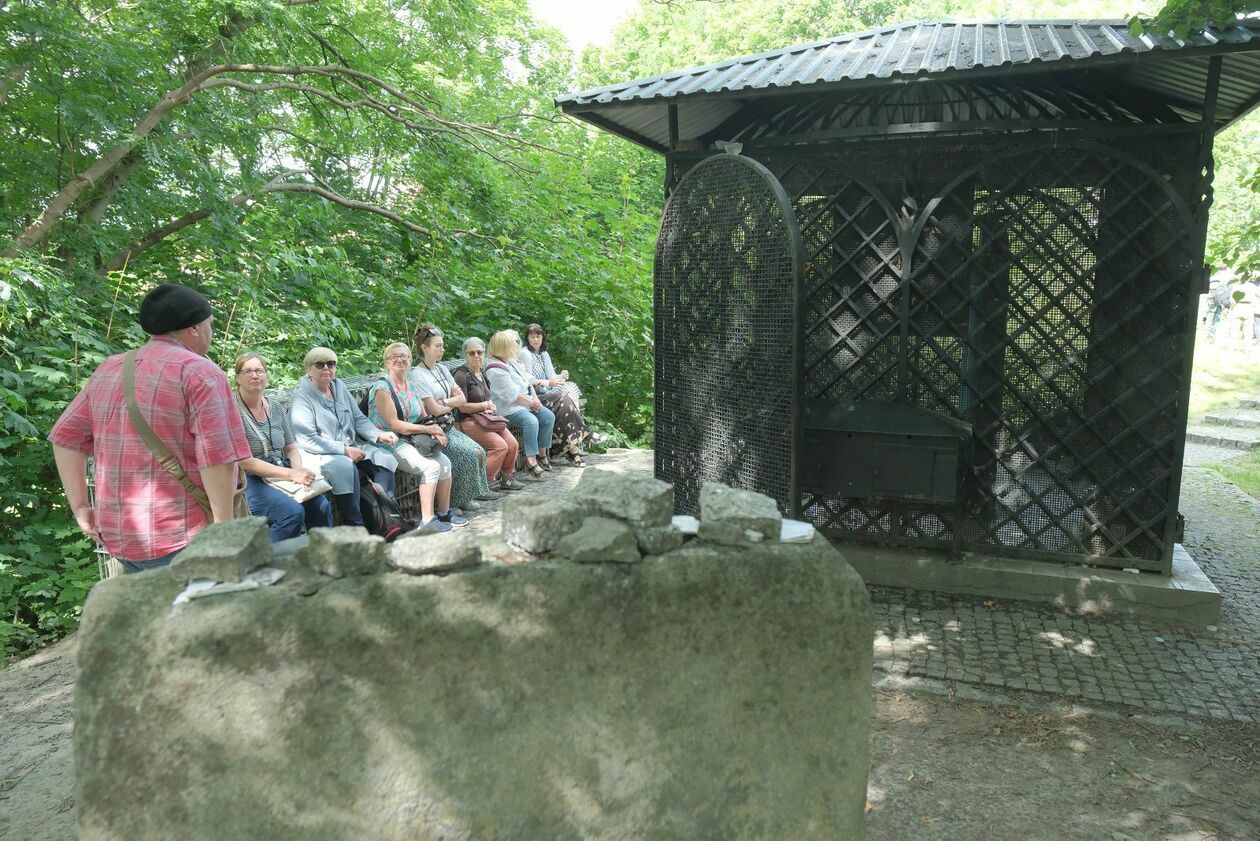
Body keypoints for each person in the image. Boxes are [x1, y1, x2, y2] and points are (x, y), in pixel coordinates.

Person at [49, 283, 251, 572]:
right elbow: (217, 456)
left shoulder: (110, 368)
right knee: (201, 615)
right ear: (194, 328)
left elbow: (65, 437)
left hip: (120, 538)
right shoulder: (201, 372)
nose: (211, 332)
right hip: (183, 536)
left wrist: (80, 506)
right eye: (210, 324)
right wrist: (223, 528)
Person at [289, 346, 399, 527]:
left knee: (384, 458)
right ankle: (356, 523)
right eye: (320, 364)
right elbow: (307, 439)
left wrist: (378, 435)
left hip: (351, 443)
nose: (326, 368)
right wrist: (344, 451)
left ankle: (387, 518)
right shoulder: (302, 398)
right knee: (346, 468)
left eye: (331, 364)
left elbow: (358, 418)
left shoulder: (339, 387)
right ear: (309, 369)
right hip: (323, 453)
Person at [233, 352, 333, 542]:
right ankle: (262, 564)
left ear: (266, 376)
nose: (255, 375)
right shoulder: (232, 411)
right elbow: (244, 461)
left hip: (281, 472)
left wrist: (298, 472)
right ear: (238, 378)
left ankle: (323, 557)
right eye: (248, 371)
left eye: (259, 370)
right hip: (250, 480)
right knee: (291, 513)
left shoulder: (276, 408)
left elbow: (291, 448)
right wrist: (290, 474)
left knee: (321, 506)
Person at [367, 342, 457, 532]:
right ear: (386, 362)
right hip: (391, 441)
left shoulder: (412, 385)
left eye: (404, 356)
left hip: (413, 438)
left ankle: (444, 513)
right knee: (431, 467)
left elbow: (424, 417)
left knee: (446, 463)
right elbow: (394, 424)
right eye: (394, 357)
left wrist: (436, 431)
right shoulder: (381, 388)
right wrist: (427, 431)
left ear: (410, 360)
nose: (400, 360)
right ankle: (427, 521)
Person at [408, 324, 496, 517]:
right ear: (424, 348)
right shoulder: (418, 374)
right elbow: (434, 409)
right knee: (466, 454)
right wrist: (451, 402)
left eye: (442, 345)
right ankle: (454, 501)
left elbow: (461, 399)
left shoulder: (441, 369)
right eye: (438, 346)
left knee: (478, 451)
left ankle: (465, 496)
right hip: (434, 430)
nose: (442, 349)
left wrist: (446, 401)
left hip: (449, 425)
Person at [518, 322, 594, 467]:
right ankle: (581, 437)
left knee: (570, 388)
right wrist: (548, 383)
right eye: (532, 336)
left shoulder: (543, 354)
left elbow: (552, 376)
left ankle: (575, 450)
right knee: (565, 397)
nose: (535, 339)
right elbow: (528, 380)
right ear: (527, 338)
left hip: (549, 393)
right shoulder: (525, 354)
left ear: (542, 337)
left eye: (538, 336)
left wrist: (562, 376)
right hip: (534, 395)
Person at [454, 337, 524, 492]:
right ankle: (479, 486)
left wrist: (489, 406)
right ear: (465, 355)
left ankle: (507, 479)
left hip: (486, 419)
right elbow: (462, 406)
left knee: (512, 444)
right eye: (472, 353)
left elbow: (488, 397)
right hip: (467, 422)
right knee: (499, 447)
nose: (476, 356)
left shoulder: (483, 373)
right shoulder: (461, 375)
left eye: (479, 352)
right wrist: (484, 405)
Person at [485, 329, 554, 480]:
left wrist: (534, 399)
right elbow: (511, 395)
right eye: (512, 344)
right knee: (531, 420)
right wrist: (531, 402)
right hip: (508, 408)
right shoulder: (495, 369)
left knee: (548, 417)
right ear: (503, 347)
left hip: (525, 402)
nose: (516, 347)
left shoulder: (511, 361)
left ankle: (542, 454)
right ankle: (531, 459)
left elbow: (527, 382)